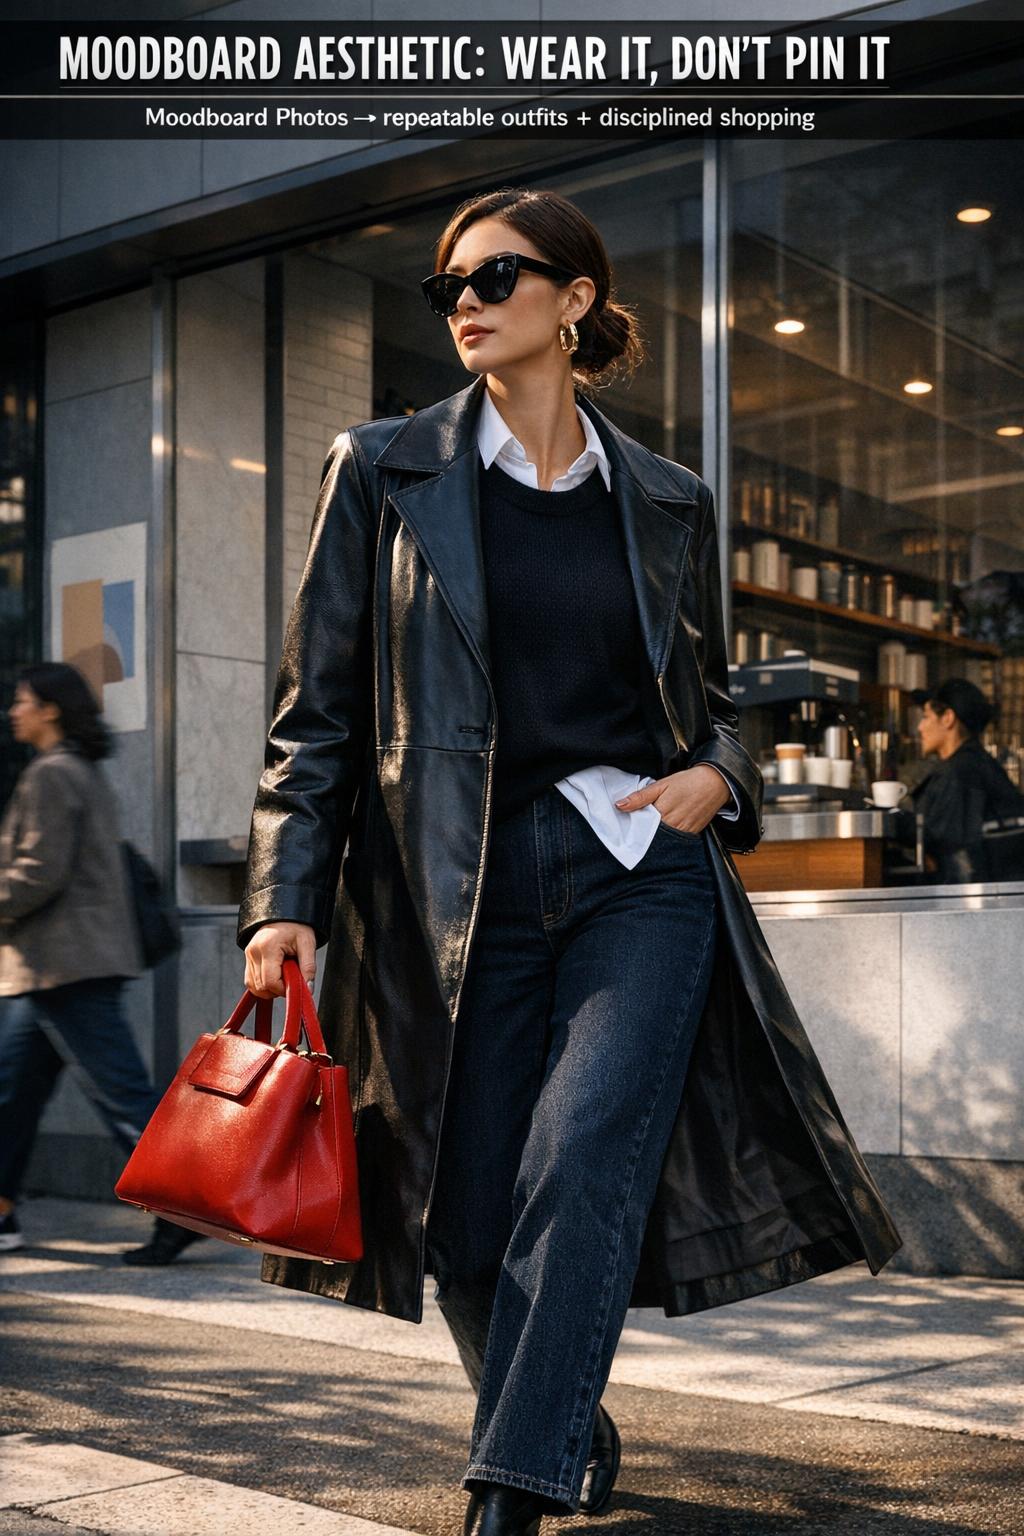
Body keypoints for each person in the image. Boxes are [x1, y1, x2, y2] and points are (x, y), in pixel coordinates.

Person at [238, 187, 901, 1536]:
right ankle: (557, 1422)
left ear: (577, 299)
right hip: (447, 888)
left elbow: (709, 698)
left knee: (584, 1151)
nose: (466, 301)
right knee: (466, 1213)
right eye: (449, 286)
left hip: (638, 873)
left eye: (498, 276)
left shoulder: (668, 499)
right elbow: (315, 712)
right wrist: (283, 901)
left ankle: (512, 1493)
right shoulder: (381, 470)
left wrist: (720, 776)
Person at [0, 662, 202, 1266]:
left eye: (22, 700)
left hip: (64, 968)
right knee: (11, 1095)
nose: (13, 710)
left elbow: (39, 871)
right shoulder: (77, 771)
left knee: (124, 1098)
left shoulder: (53, 774)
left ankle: (181, 1209)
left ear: (51, 709)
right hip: (49, 969)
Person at [909, 677, 1024, 883]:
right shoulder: (979, 765)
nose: (920, 727)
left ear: (948, 718)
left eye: (926, 717)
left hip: (970, 904)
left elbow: (956, 854)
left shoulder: (959, 773)